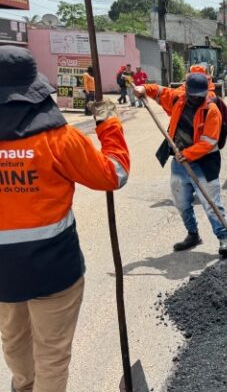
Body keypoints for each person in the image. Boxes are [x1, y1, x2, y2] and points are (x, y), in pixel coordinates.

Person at [0, 45, 130, 392]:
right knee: (52, 355)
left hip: (3, 275)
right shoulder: (58, 140)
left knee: (14, 343)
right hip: (54, 270)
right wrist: (109, 126)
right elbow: (113, 175)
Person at [134, 73, 227, 257]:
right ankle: (193, 234)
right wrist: (143, 89)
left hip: (205, 163)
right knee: (181, 201)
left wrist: (187, 154)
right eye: (193, 95)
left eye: (200, 96)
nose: (196, 99)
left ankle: (225, 240)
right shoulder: (177, 99)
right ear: (186, 91)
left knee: (211, 203)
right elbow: (159, 91)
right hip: (180, 164)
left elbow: (209, 142)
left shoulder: (211, 110)